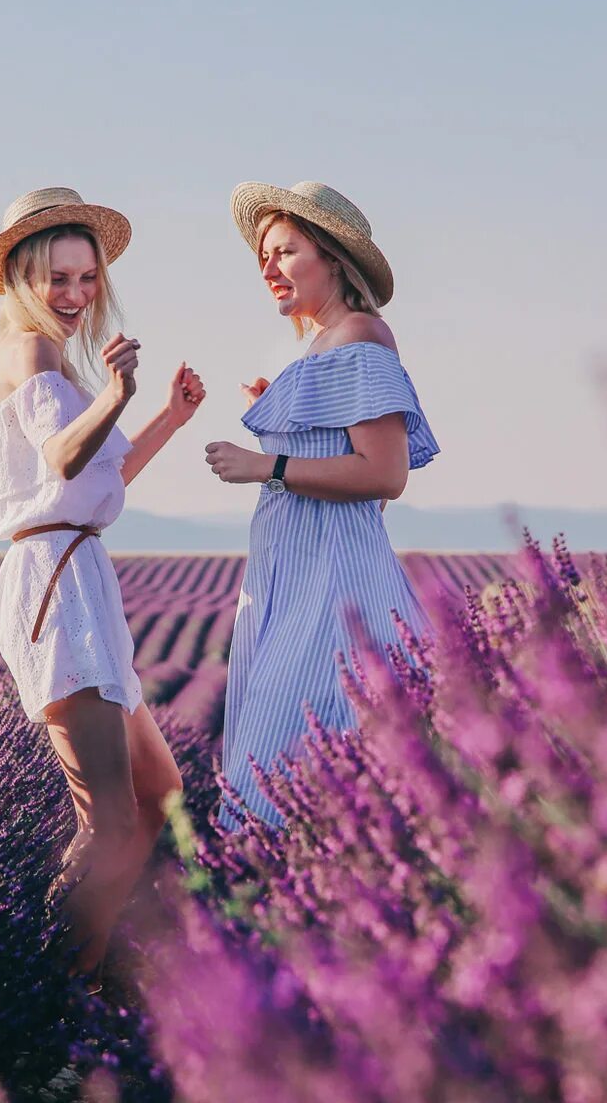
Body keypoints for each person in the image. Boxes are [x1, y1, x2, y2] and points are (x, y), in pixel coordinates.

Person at [0, 187, 203, 979]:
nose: (74, 296)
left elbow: (99, 476)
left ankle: (102, 986)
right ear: (22, 283)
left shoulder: (61, 364)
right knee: (106, 818)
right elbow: (63, 455)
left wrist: (166, 416)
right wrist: (116, 393)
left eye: (86, 278)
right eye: (56, 279)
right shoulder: (28, 354)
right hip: (51, 583)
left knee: (159, 794)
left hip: (81, 572)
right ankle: (45, 1003)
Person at [204, 181, 439, 828]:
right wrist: (289, 420)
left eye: (285, 251)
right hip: (302, 579)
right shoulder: (323, 345)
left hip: (333, 591)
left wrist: (267, 464)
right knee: (302, 777)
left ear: (333, 258)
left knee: (279, 777)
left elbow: (385, 474)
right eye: (263, 258)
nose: (269, 270)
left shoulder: (359, 335)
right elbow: (354, 471)